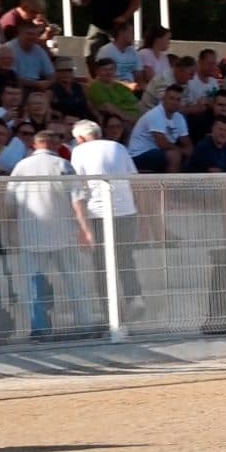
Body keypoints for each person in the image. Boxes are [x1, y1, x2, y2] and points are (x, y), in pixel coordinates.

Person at [5, 130, 102, 341]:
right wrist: (85, 230)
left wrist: (13, 233)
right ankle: (84, 325)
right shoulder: (63, 165)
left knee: (33, 285)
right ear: (55, 144)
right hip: (63, 234)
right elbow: (78, 201)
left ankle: (39, 330)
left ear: (34, 145)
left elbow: (10, 206)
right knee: (75, 282)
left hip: (31, 236)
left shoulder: (20, 167)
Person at [69, 119, 146, 322]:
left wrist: (82, 227)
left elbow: (78, 188)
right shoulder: (118, 147)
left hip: (98, 213)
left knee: (101, 265)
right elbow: (134, 180)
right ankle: (134, 296)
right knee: (125, 258)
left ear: (80, 138)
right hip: (126, 211)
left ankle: (110, 312)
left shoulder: (79, 152)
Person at [80, 0, 141, 75]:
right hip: (97, 23)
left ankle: (123, 78)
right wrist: (79, 1)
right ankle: (97, 81)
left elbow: (136, 1)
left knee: (123, 53)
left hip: (119, 24)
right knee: (91, 52)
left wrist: (124, 17)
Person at [127, 84, 192, 172]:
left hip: (158, 153)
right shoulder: (156, 114)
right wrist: (183, 151)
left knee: (191, 157)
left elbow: (187, 142)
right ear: (164, 98)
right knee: (174, 155)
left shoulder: (179, 118)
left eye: (178, 100)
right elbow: (163, 144)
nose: (174, 102)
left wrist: (190, 152)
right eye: (171, 98)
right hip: (138, 155)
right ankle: (171, 185)